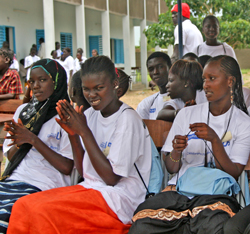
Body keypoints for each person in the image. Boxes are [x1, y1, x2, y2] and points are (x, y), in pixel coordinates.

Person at [7, 55, 151, 234]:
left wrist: (84, 132)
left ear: (115, 84)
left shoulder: (127, 120)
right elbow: (85, 172)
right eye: (86, 89)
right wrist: (74, 136)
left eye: (99, 88)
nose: (91, 95)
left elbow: (111, 179)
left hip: (119, 200)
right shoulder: (90, 115)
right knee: (23, 205)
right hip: (90, 189)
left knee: (42, 213)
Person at [129, 55, 250, 234]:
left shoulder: (243, 122)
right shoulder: (186, 114)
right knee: (142, 225)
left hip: (215, 194)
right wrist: (176, 152)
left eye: (212, 78)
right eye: (204, 79)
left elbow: (234, 172)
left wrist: (215, 140)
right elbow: (171, 168)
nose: (206, 85)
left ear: (230, 81)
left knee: (211, 227)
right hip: (179, 190)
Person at [1, 59, 73, 233]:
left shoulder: (67, 116)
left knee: (5, 217)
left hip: (45, 185)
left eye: (42, 80)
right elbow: (11, 156)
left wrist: (33, 139)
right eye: (31, 81)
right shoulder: (24, 112)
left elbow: (67, 167)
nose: (36, 86)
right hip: (15, 179)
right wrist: (19, 141)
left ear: (56, 81)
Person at [136, 52, 172, 120]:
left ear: (170, 67)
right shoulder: (145, 105)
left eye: (160, 67)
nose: (155, 72)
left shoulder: (183, 99)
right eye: (151, 69)